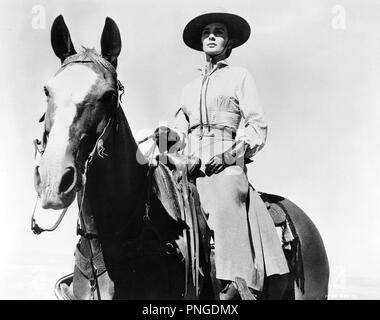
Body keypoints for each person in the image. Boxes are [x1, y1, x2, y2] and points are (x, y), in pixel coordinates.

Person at [154, 8, 289, 299]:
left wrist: (230, 156)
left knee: (225, 196)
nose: (212, 36)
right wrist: (168, 138)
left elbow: (257, 125)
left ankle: (236, 282)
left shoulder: (240, 76)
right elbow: (179, 130)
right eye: (207, 33)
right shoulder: (188, 88)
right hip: (189, 162)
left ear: (229, 43)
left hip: (226, 161)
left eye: (219, 33)